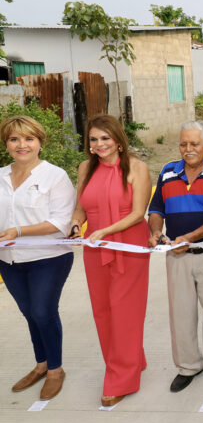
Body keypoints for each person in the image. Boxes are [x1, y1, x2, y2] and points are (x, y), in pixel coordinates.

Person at [69, 114, 152, 407]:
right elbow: (81, 207)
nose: (99, 144)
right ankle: (132, 360)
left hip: (129, 245)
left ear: (118, 140)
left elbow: (137, 213)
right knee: (103, 312)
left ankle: (120, 379)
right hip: (95, 248)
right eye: (93, 139)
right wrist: (77, 225)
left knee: (125, 313)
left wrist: (103, 229)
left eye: (105, 138)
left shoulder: (137, 168)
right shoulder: (84, 169)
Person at [148, 121, 203, 393]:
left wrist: (190, 238)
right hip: (176, 256)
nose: (188, 149)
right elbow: (156, 209)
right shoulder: (167, 172)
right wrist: (155, 232)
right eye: (184, 144)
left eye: (194, 144)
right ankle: (188, 367)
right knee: (181, 314)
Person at [0, 115, 76, 401]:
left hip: (48, 256)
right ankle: (41, 364)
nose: (22, 145)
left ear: (40, 142)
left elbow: (60, 222)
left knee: (43, 312)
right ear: (6, 144)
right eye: (14, 139)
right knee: (30, 313)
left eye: (29, 138)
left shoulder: (54, 176)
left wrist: (18, 230)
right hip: (9, 259)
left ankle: (55, 370)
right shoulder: (0, 176)